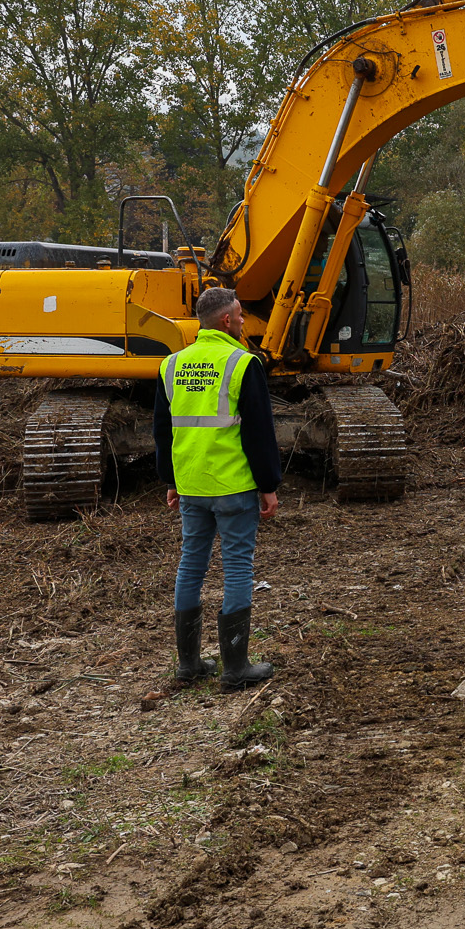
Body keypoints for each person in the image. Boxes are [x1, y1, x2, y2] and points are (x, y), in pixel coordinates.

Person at [154, 286, 282, 690]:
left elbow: (162, 431)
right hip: (232, 485)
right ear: (226, 320)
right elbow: (260, 433)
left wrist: (171, 481)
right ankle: (235, 668)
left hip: (191, 484)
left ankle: (189, 665)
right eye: (241, 314)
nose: (245, 321)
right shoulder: (242, 363)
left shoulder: (172, 364)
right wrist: (269, 485)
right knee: (238, 566)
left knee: (191, 564)